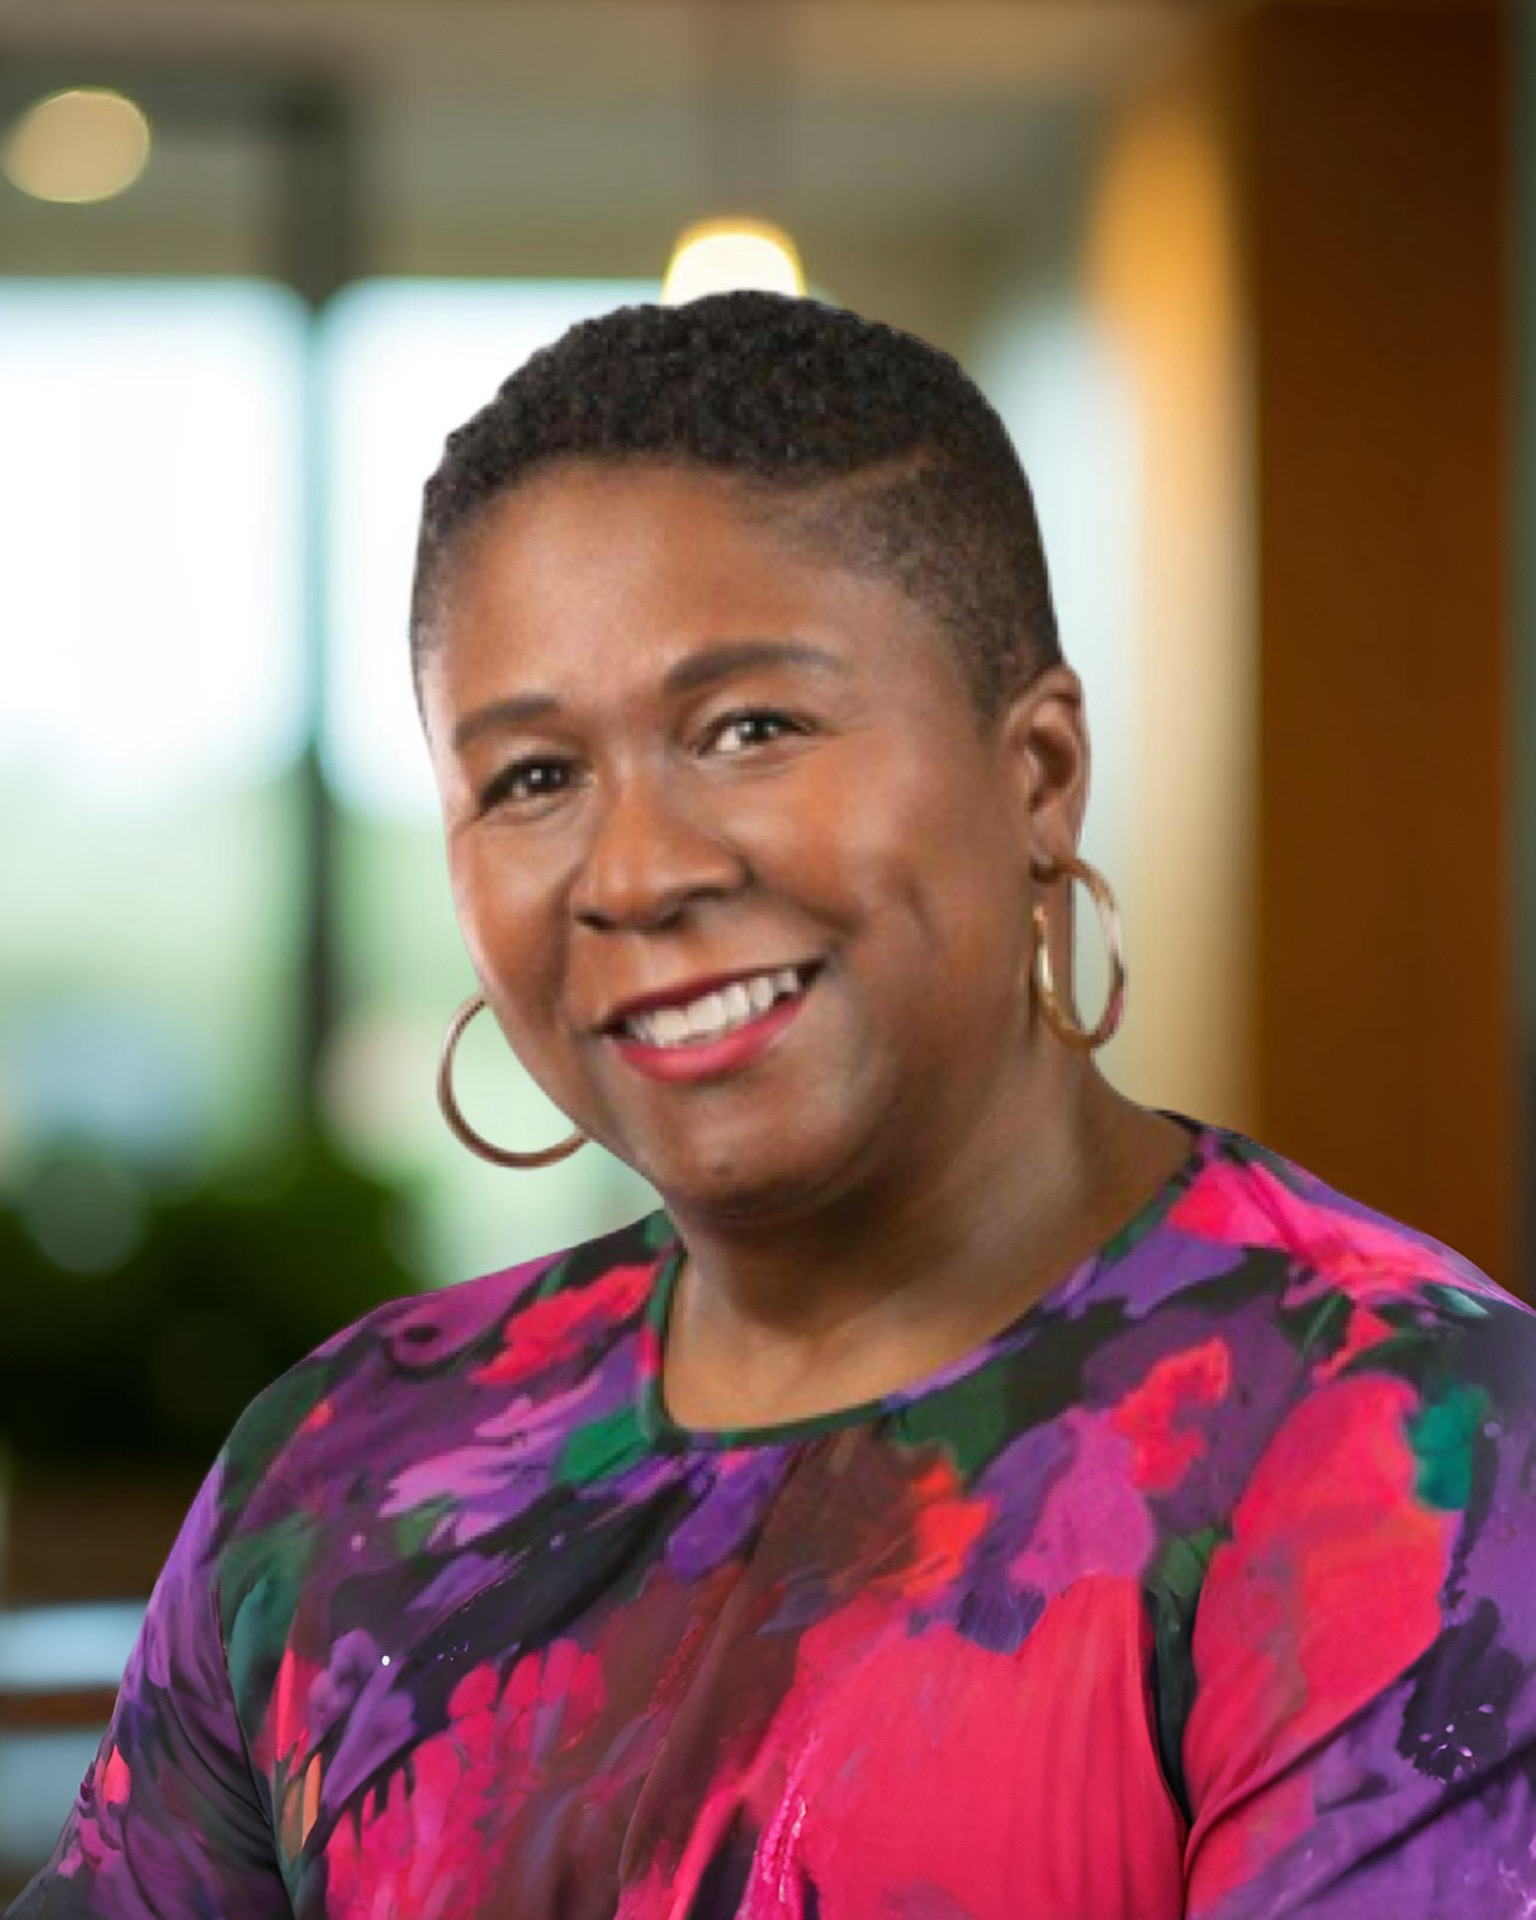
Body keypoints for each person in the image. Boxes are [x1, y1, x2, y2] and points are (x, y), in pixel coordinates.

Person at [11, 292, 1536, 1920]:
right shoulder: (348, 1471)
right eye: (534, 777)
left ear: (1036, 772)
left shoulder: (1401, 1442)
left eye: (751, 730)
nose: (637, 872)